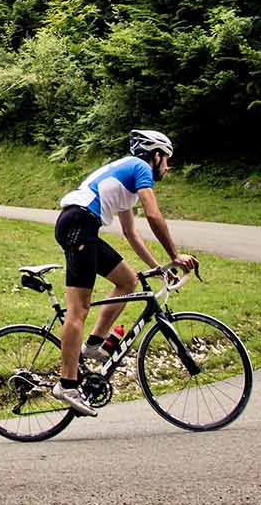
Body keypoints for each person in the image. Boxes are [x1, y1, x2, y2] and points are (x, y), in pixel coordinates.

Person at [49, 129, 198, 416]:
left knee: (128, 281)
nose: (167, 167)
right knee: (77, 310)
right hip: (78, 223)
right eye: (166, 160)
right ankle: (66, 385)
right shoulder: (140, 167)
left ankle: (93, 344)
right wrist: (175, 255)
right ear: (155, 156)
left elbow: (131, 233)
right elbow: (154, 216)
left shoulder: (127, 178)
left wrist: (158, 267)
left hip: (81, 225)